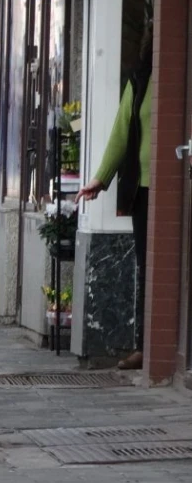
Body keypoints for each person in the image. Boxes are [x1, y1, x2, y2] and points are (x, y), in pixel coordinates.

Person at [75, 25, 153, 371]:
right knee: (147, 268)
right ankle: (145, 345)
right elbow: (122, 132)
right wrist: (100, 179)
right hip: (146, 190)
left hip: (183, 187)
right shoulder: (140, 82)